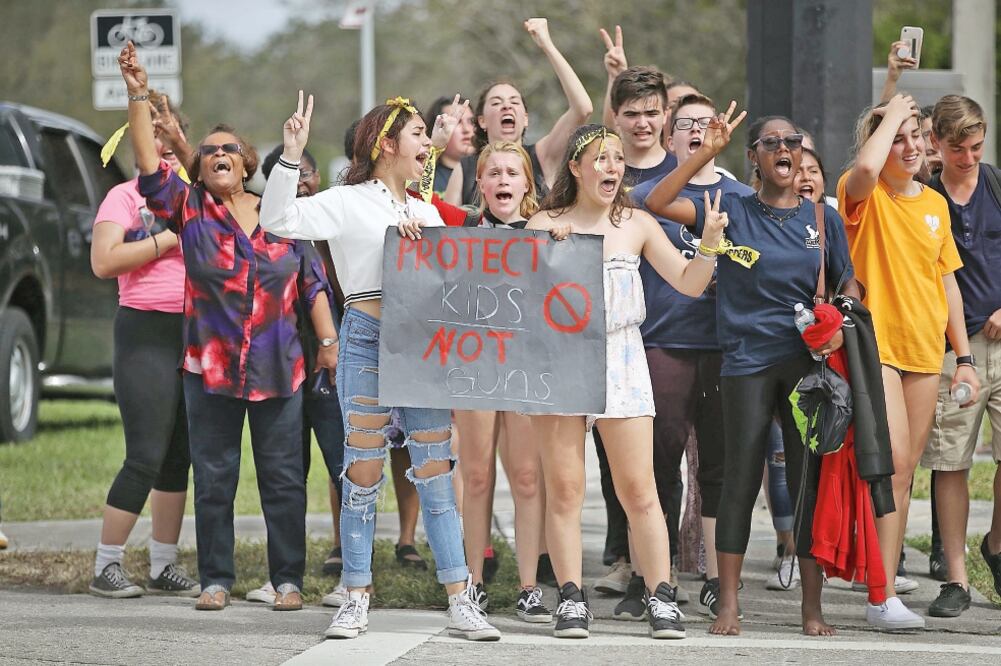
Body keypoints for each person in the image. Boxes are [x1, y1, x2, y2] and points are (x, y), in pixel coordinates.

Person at [261, 92, 501, 641]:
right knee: (362, 470)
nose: (428, 143)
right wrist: (292, 153)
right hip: (366, 337)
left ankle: (461, 598)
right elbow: (278, 219)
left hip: (421, 342)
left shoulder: (421, 206)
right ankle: (356, 594)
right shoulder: (346, 201)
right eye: (418, 134)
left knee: (436, 470)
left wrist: (426, 246)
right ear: (386, 144)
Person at [119, 42, 335, 612]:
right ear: (200, 165)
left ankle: (287, 579)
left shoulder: (282, 215)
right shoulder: (189, 210)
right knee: (214, 478)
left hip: (279, 366)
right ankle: (216, 578)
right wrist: (138, 92)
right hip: (208, 370)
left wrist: (329, 343)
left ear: (246, 164)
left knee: (284, 479)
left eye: (229, 149)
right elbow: (146, 162)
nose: (217, 154)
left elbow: (310, 283)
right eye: (208, 149)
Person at [647, 110, 853, 638]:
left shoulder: (821, 217)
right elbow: (657, 203)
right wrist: (702, 152)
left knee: (806, 478)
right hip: (744, 363)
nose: (786, 149)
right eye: (773, 142)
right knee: (740, 476)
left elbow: (849, 283)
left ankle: (812, 609)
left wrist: (838, 322)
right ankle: (728, 605)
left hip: (804, 365)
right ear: (755, 159)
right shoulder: (731, 206)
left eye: (793, 141)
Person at [527, 122, 728, 640]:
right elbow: (519, 300)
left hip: (622, 356)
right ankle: (571, 598)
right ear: (575, 167)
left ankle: (662, 594)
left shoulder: (637, 223)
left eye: (617, 159)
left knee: (640, 488)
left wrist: (707, 245)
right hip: (562, 360)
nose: (612, 167)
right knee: (567, 489)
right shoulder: (541, 223)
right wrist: (550, 253)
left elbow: (688, 282)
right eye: (600, 158)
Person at [837, 93, 980, 630]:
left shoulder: (935, 204)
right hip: (877, 347)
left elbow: (948, 285)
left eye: (918, 136)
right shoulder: (864, 194)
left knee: (902, 477)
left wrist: (962, 356)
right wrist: (893, 111)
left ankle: (883, 591)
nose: (913, 146)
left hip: (926, 350)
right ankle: (878, 591)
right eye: (900, 137)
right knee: (892, 462)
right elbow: (868, 166)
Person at [628, 92, 755, 619]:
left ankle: (714, 578)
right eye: (687, 124)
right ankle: (651, 578)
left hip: (724, 345)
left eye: (708, 123)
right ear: (670, 137)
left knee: (721, 468)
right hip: (664, 340)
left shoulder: (744, 196)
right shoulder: (643, 195)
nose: (698, 131)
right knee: (658, 464)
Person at [88, 92, 199, 600]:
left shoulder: (198, 197)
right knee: (146, 454)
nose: (163, 147)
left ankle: (162, 563)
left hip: (193, 331)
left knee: (179, 456)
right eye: (152, 136)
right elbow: (104, 261)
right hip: (145, 331)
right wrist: (167, 240)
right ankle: (105, 565)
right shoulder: (125, 197)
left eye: (170, 136)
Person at [246, 146, 348, 606]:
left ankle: (354, 572)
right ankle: (284, 576)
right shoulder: (271, 231)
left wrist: (332, 345)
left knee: (344, 467)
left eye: (306, 173)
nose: (301, 182)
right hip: (282, 367)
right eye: (288, 176)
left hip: (335, 363)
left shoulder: (334, 221)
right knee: (286, 473)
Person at [455, 140, 552, 622]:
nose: (503, 181)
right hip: (475, 367)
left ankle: (530, 584)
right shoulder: (461, 231)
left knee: (528, 477)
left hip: (526, 367)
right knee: (475, 476)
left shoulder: (547, 231)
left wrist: (563, 242)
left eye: (512, 173)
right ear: (481, 183)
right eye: (493, 173)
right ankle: (472, 582)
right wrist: (412, 229)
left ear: (527, 183)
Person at [920, 94, 1001, 618]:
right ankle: (954, 577)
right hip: (952, 351)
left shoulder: (995, 183)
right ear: (936, 144)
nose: (968, 158)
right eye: (957, 149)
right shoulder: (923, 196)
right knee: (950, 461)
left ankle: (994, 545)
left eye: (975, 147)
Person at [444, 18, 592, 206]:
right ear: (481, 121)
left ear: (526, 118)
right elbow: (446, 229)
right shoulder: (464, 169)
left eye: (514, 102)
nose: (507, 107)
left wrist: (547, 45)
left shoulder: (541, 157)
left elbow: (583, 108)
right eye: (496, 103)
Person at [424, 96, 475, 194]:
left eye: (471, 122)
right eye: (457, 122)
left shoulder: (488, 172)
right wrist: (434, 149)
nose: (467, 129)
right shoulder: (424, 175)